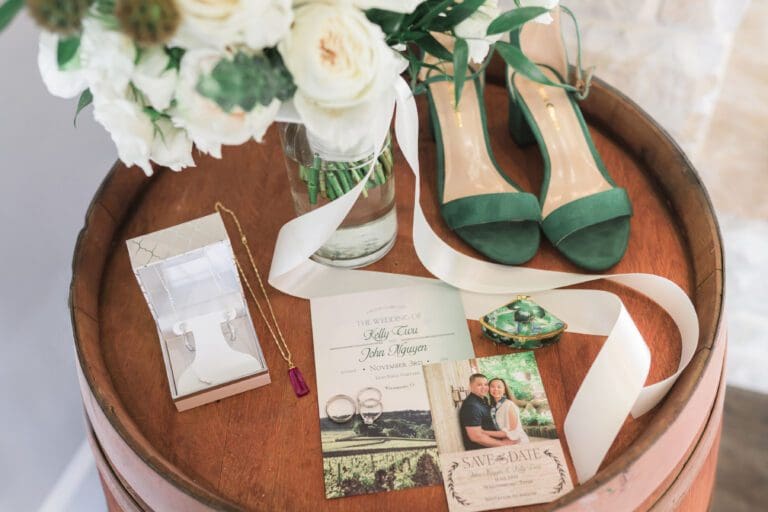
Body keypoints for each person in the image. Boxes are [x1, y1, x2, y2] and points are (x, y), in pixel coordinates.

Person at [458, 373, 517, 450]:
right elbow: (476, 436)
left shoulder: (483, 400)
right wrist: (503, 444)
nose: (484, 387)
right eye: (479, 385)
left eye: (486, 384)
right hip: (484, 450)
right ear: (470, 386)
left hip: (497, 446)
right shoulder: (471, 406)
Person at [488, 378, 530, 443]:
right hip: (503, 440)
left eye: (499, 387)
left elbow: (513, 430)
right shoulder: (492, 408)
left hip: (517, 441)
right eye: (492, 386)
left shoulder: (509, 404)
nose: (495, 389)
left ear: (504, 390)